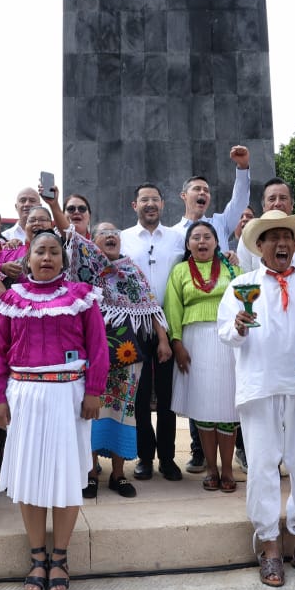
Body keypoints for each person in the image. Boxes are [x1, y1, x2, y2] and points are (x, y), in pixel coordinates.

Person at [0, 230, 109, 590]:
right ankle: (37, 557)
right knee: (30, 477)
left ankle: (60, 557)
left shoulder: (82, 298)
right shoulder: (11, 300)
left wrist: (93, 391)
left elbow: (98, 347)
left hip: (69, 396)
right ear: (28, 258)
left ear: (63, 259)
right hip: (24, 396)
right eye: (40, 251)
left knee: (67, 474)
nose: (47, 258)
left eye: (54, 252)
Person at [217, 211, 295, 587]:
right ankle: (269, 548)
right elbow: (225, 334)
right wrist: (237, 326)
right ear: (260, 246)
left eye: (287, 237)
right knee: (263, 466)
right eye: (273, 238)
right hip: (258, 385)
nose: (281, 243)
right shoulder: (242, 285)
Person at [86, 223, 168, 498]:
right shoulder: (86, 270)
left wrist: (164, 340)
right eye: (104, 232)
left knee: (124, 410)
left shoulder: (132, 270)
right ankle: (91, 471)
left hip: (128, 354)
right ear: (92, 241)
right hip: (92, 352)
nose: (111, 236)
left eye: (115, 233)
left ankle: (119, 474)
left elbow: (152, 305)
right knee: (90, 410)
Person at [165, 221, 240, 492]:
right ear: (188, 245)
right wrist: (176, 342)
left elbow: (247, 301)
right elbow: (173, 307)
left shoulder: (233, 269)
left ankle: (228, 470)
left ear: (217, 242)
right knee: (205, 409)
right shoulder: (180, 271)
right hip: (194, 341)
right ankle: (211, 469)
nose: (201, 241)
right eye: (195, 237)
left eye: (207, 236)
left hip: (228, 341)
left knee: (228, 409)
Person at [121, 182, 186, 481]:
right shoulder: (123, 239)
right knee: (140, 396)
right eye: (144, 200)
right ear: (134, 205)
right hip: (135, 326)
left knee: (168, 397)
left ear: (162, 204)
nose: (150, 204)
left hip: (169, 322)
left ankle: (168, 459)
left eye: (155, 199)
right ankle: (145, 457)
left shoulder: (177, 238)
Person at [235, 178, 295, 275]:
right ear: (263, 207)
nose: (278, 203)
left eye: (283, 198)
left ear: (292, 205)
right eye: (272, 199)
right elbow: (245, 280)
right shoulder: (248, 236)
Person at [172, 145, 252, 249]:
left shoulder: (221, 223)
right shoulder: (173, 233)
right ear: (184, 195)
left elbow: (240, 201)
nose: (202, 192)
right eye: (197, 189)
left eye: (206, 190)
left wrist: (243, 165)